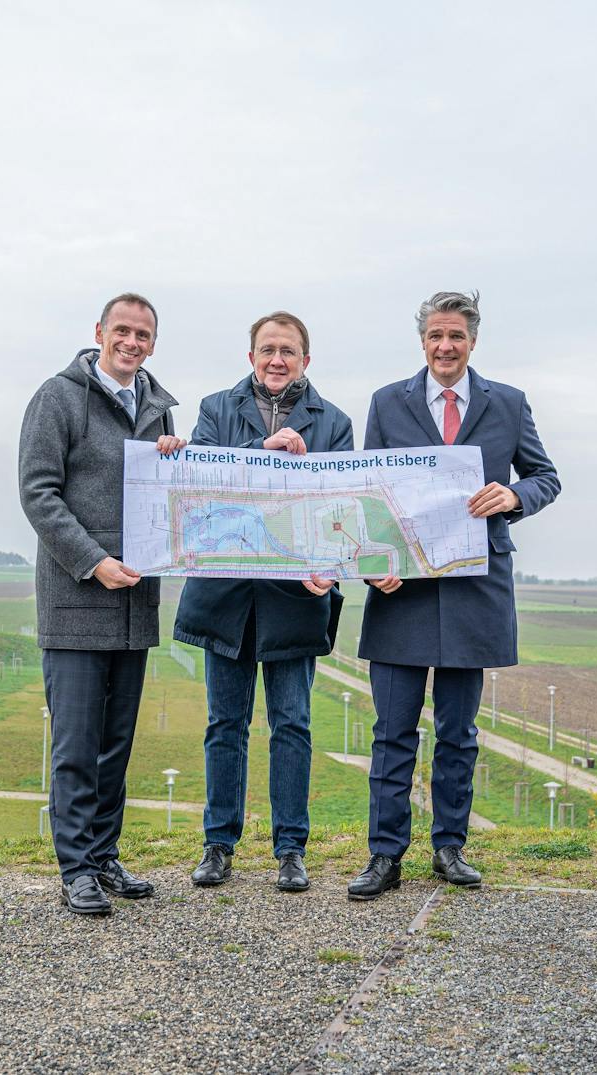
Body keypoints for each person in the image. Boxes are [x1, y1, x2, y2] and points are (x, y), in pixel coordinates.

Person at [347, 290, 560, 900]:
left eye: (457, 337)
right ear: (423, 341)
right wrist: (371, 565)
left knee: (459, 731)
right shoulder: (388, 403)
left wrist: (515, 496)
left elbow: (547, 476)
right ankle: (385, 855)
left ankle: (449, 847)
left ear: (473, 342)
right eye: (436, 336)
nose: (446, 347)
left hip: (475, 587)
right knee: (392, 731)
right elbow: (370, 491)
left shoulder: (509, 404)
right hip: (402, 589)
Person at [173, 311, 354, 893]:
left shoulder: (336, 423)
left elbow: (341, 506)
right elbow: (201, 484)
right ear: (251, 355)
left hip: (294, 600)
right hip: (225, 595)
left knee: (292, 725)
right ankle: (218, 844)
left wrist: (333, 567)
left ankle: (291, 849)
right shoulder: (214, 410)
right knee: (224, 723)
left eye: (289, 351)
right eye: (267, 349)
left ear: (306, 360)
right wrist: (264, 450)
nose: (277, 360)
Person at [19, 292, 185, 916]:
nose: (132, 342)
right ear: (99, 332)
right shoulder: (57, 398)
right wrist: (92, 561)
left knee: (116, 743)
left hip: (135, 604)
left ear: (152, 342)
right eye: (123, 330)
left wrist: (179, 460)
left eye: (143, 334)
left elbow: (169, 498)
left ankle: (105, 855)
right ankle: (76, 869)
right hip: (76, 599)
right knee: (77, 744)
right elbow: (39, 493)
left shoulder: (159, 410)